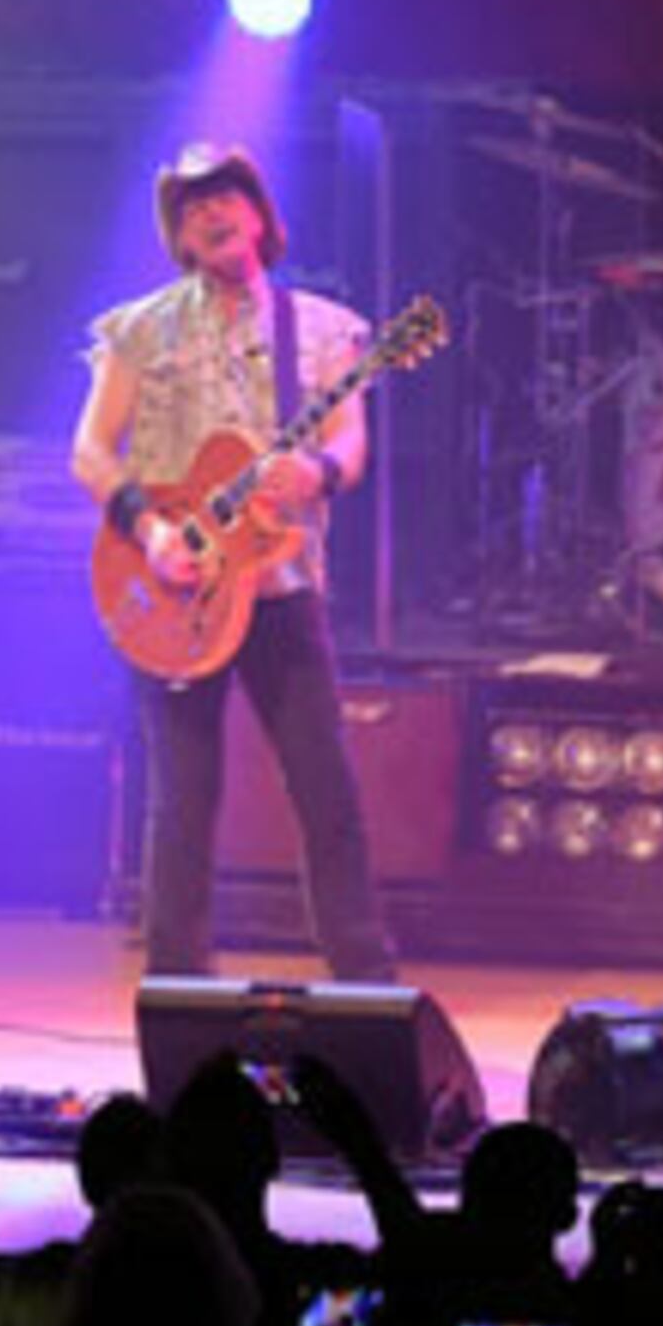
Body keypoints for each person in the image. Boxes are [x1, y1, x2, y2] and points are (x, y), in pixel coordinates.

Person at [72, 144, 394, 985]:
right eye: (189, 208)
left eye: (223, 198)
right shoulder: (139, 329)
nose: (209, 215)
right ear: (178, 237)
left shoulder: (322, 329)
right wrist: (150, 533)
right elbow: (89, 451)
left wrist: (316, 472)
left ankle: (366, 986)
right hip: (177, 589)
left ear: (257, 213)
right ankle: (176, 989)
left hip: (282, 588)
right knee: (182, 801)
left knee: (327, 791)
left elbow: (350, 441)